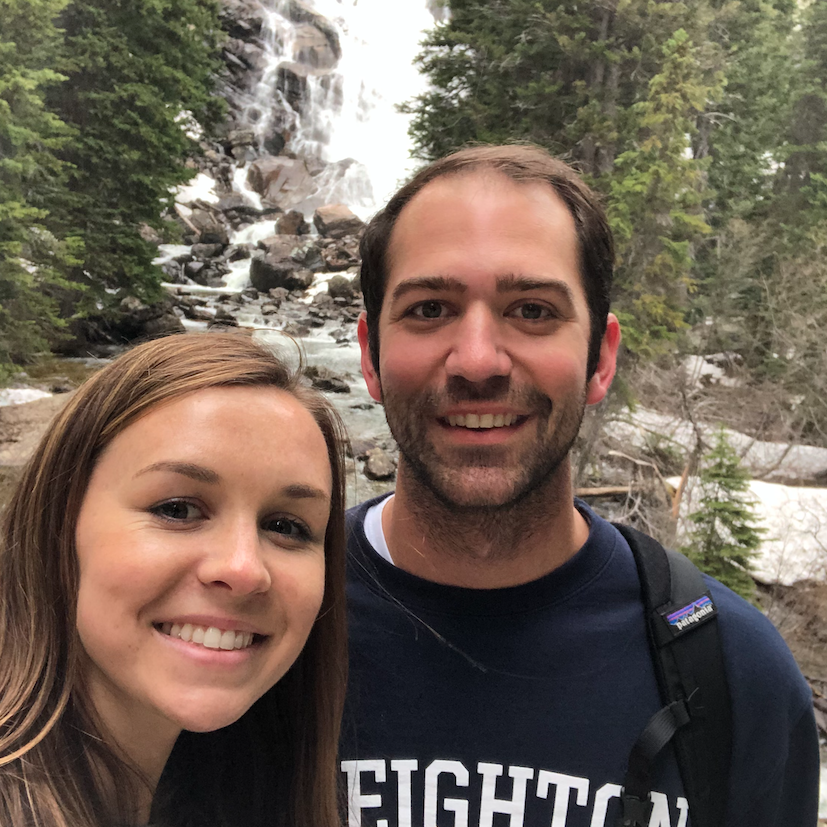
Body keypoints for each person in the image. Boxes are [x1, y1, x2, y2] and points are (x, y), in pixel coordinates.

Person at [339, 145, 820, 827]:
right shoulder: (262, 630)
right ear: (368, 355)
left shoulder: (735, 674)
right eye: (429, 308)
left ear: (600, 358)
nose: (477, 360)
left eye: (532, 310)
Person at [0, 332, 348, 827]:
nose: (244, 569)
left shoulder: (243, 792)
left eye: (285, 527)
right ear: (59, 523)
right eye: (177, 509)